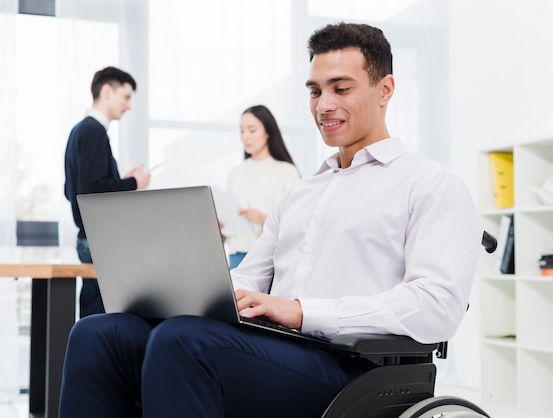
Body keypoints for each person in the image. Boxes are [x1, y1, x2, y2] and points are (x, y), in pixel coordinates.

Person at [58, 22, 481, 417]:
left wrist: (301, 311)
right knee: (99, 333)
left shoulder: (429, 184)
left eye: (341, 88)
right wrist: (193, 293)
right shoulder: (300, 194)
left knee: (183, 342)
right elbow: (249, 278)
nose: (324, 104)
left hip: (356, 370)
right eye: (315, 91)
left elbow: (437, 305)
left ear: (385, 89)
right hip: (276, 348)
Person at [64, 66, 151, 318]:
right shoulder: (94, 132)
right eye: (126, 97)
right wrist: (133, 183)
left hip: (90, 238)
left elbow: (73, 190)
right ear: (106, 92)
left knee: (94, 314)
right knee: (101, 318)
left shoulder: (80, 131)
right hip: (98, 239)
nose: (129, 105)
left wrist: (118, 181)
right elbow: (91, 191)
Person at [225, 105, 300, 269]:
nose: (245, 137)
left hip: (269, 256)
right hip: (236, 255)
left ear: (268, 132)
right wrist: (221, 226)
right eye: (242, 131)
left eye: (252, 130)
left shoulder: (286, 171)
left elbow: (295, 223)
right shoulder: (235, 173)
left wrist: (263, 219)